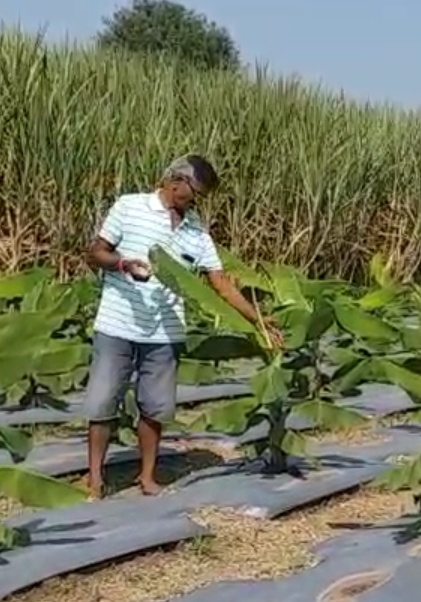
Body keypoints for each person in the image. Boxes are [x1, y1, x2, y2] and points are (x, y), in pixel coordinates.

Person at [80, 155, 278, 497]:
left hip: (166, 332)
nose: (196, 200)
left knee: (155, 408)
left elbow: (219, 282)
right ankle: (95, 478)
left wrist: (257, 319)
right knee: (102, 403)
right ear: (175, 182)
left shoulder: (196, 229)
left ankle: (147, 477)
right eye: (194, 192)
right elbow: (95, 253)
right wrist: (124, 264)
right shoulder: (130, 206)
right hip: (117, 324)